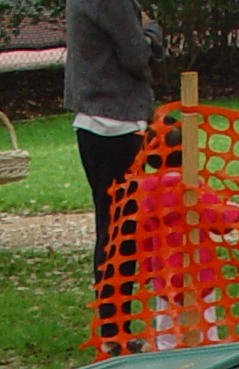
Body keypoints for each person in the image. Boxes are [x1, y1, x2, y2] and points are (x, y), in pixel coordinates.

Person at [66, 0, 161, 283]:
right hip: (116, 123)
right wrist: (152, 31)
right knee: (121, 234)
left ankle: (113, 321)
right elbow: (136, 55)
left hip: (94, 121)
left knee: (113, 228)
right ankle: (114, 323)